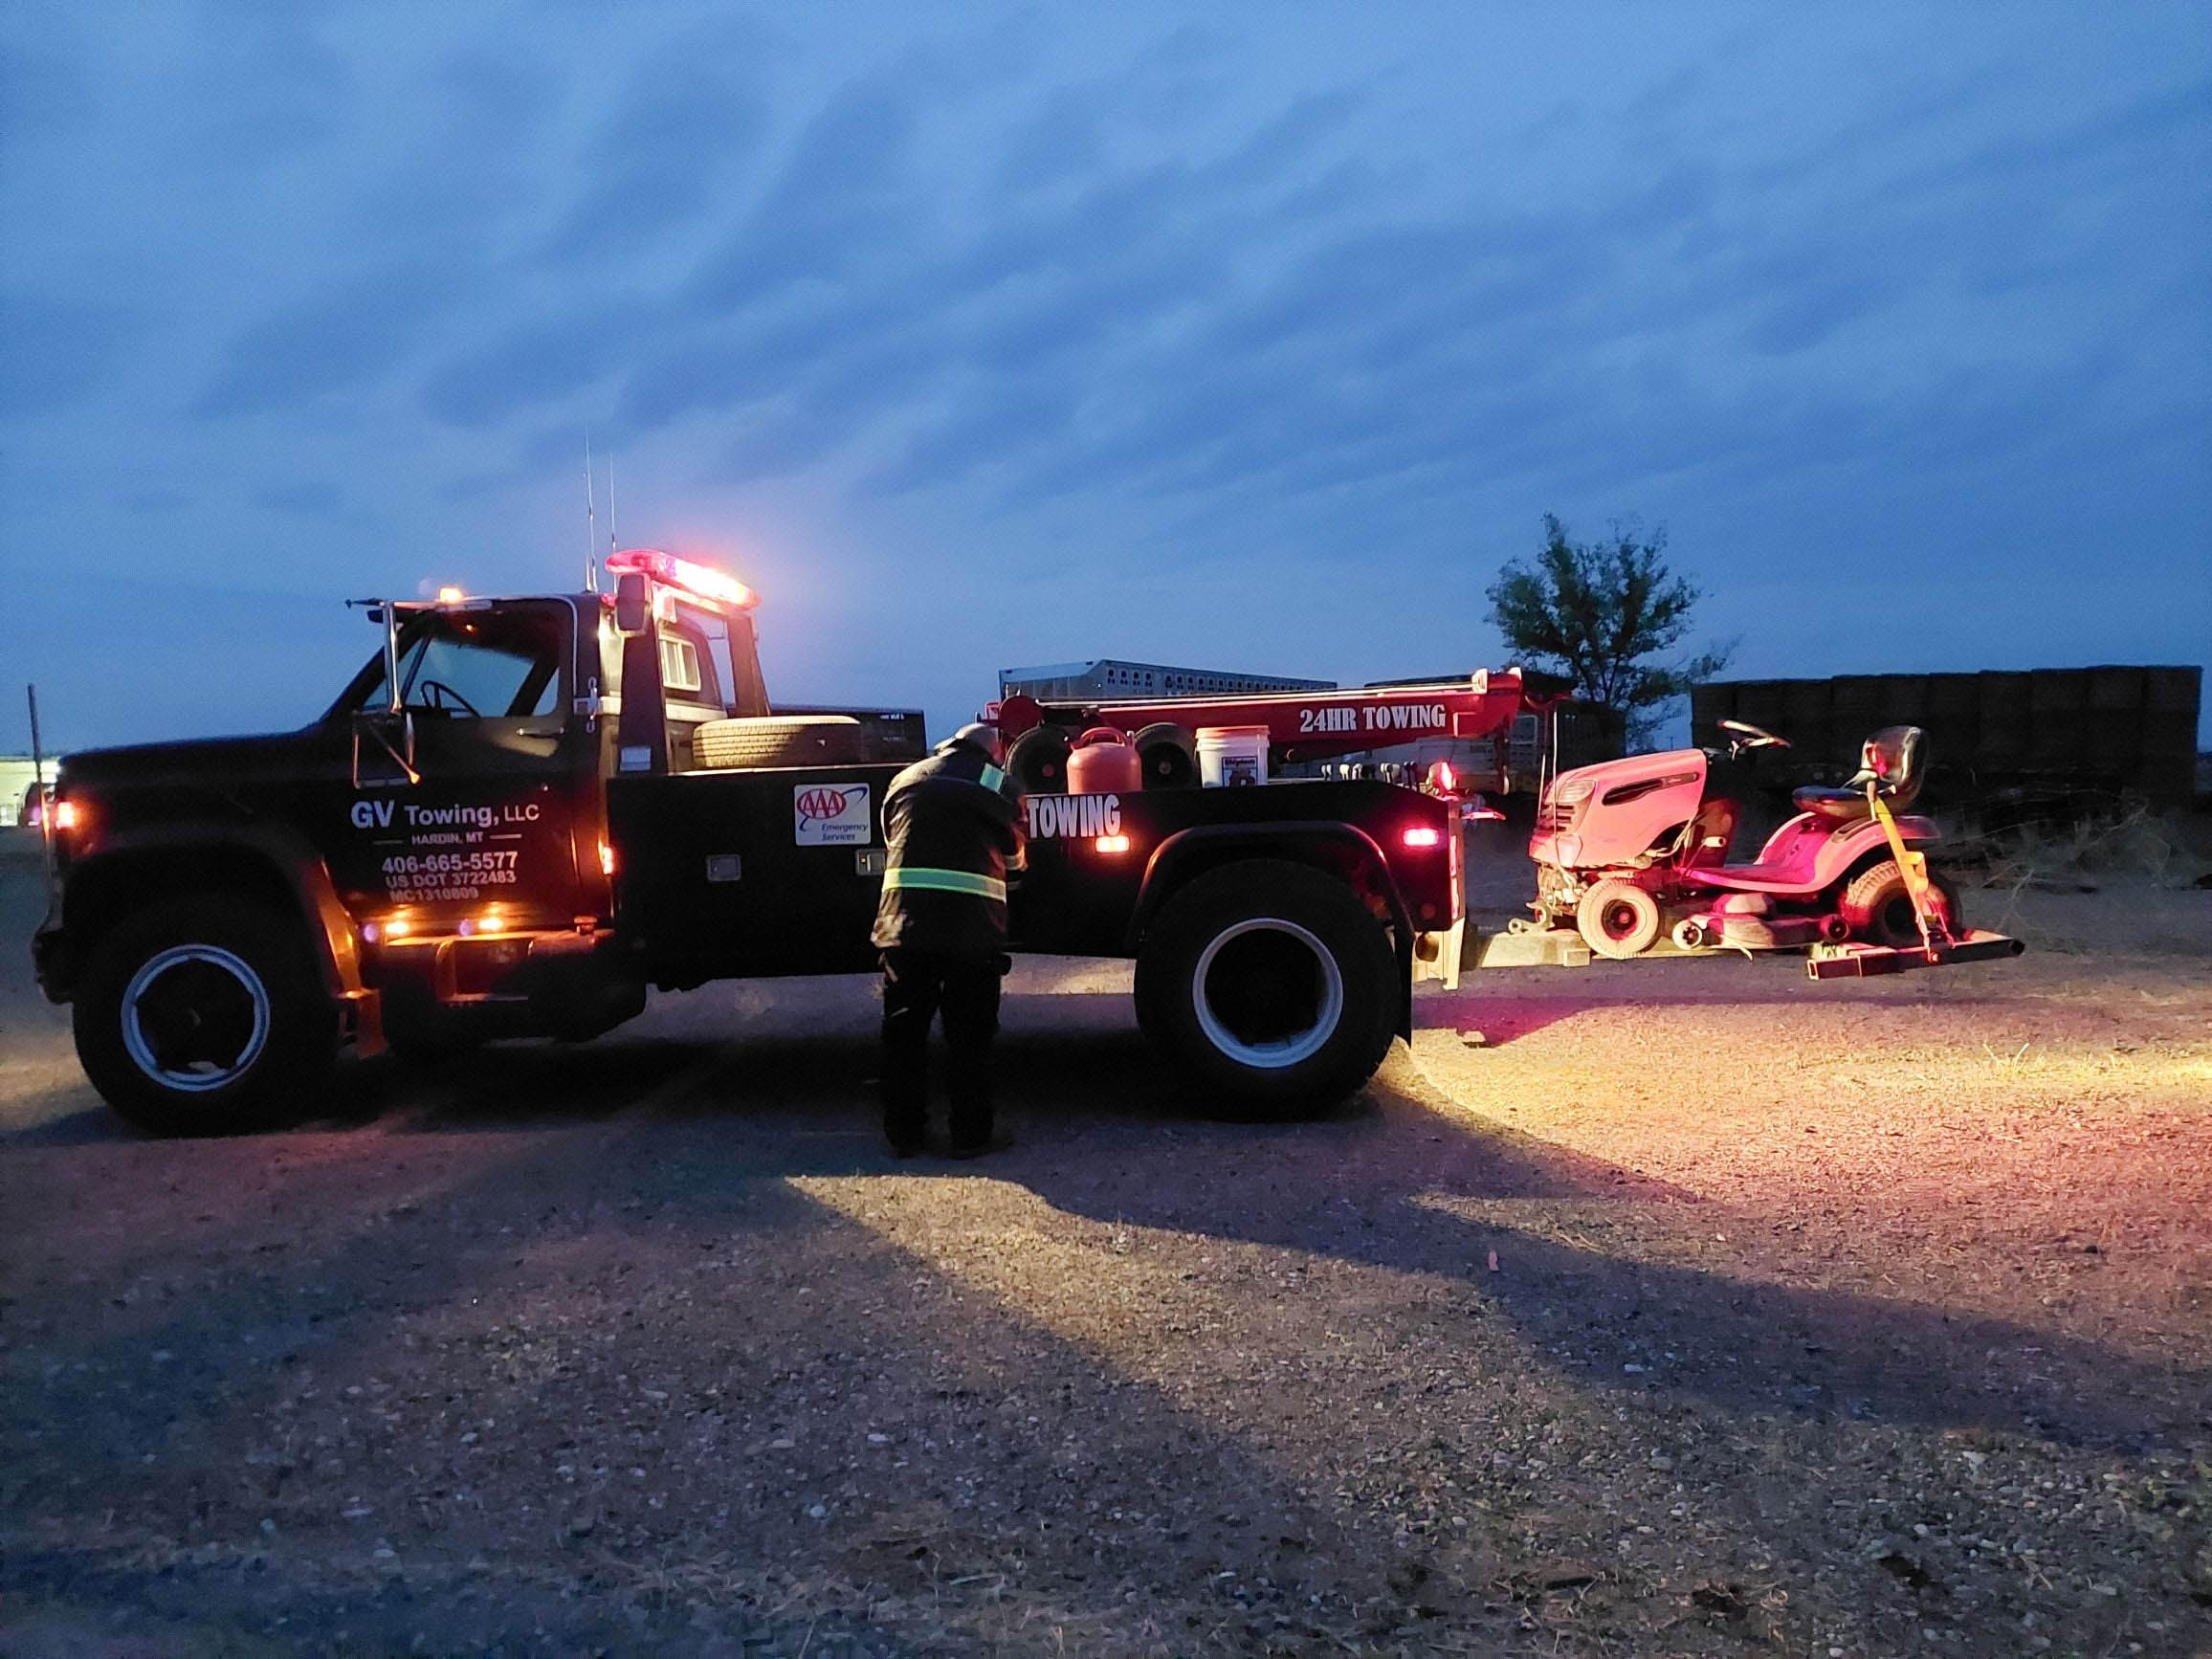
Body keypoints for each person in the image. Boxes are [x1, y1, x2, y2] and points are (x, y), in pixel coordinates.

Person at [871, 722, 1025, 1158]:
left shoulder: (906, 777)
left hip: (903, 927)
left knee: (904, 1033)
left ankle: (905, 1135)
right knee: (970, 1036)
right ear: (992, 754)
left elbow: (892, 839)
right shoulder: (999, 782)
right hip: (970, 931)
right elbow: (1015, 859)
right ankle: (970, 1137)